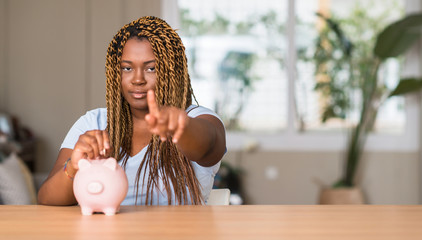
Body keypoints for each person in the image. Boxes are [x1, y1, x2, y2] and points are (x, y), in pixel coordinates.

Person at [37, 16, 226, 205]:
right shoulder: (93, 122)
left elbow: (208, 145)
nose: (137, 79)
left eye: (151, 69)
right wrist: (74, 166)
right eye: (127, 68)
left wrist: (182, 128)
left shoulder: (197, 118)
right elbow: (47, 199)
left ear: (172, 72)